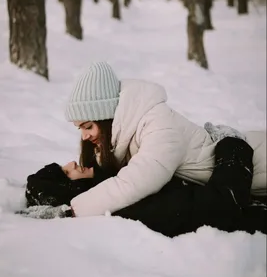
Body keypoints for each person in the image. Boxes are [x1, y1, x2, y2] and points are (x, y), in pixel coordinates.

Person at [64, 62, 266, 218]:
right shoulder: (125, 134)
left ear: (107, 116)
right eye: (80, 129)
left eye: (88, 126)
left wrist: (73, 210)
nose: (84, 136)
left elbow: (133, 182)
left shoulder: (159, 126)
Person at [22, 136, 267, 237]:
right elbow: (222, 206)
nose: (72, 163)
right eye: (66, 173)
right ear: (71, 192)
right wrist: (233, 148)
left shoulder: (123, 182)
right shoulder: (129, 208)